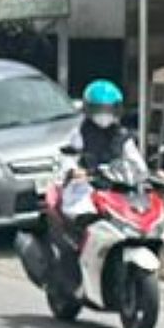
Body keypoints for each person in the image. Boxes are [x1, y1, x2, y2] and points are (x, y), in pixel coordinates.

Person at [46, 76, 139, 279]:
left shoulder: (122, 136)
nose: (104, 115)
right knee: (83, 217)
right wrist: (74, 171)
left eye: (109, 109)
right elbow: (67, 158)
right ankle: (78, 264)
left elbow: (136, 162)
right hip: (85, 189)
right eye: (99, 110)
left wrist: (150, 174)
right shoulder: (79, 133)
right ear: (89, 110)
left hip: (115, 189)